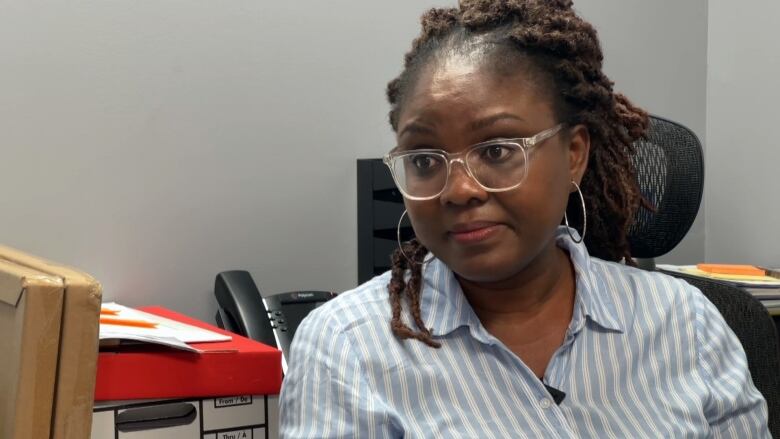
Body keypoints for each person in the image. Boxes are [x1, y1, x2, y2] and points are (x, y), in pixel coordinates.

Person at [279, 0, 770, 437]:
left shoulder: (685, 324)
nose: (459, 190)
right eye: (425, 160)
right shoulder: (346, 348)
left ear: (574, 154)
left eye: (497, 150)